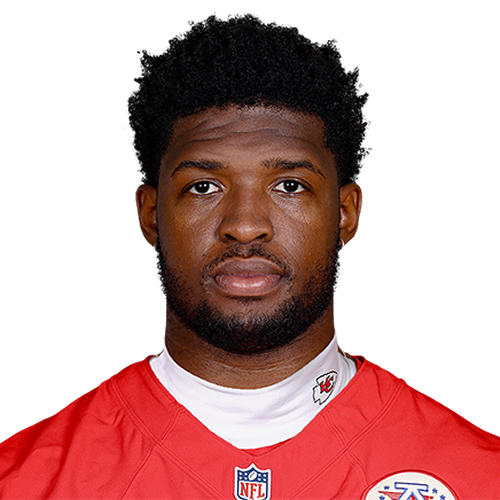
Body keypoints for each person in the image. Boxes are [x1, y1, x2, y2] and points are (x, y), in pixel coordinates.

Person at [1, 13, 498, 500]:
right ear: (150, 214)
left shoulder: (479, 477)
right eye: (203, 186)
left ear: (346, 213)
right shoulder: (22, 481)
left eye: (289, 185)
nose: (244, 225)